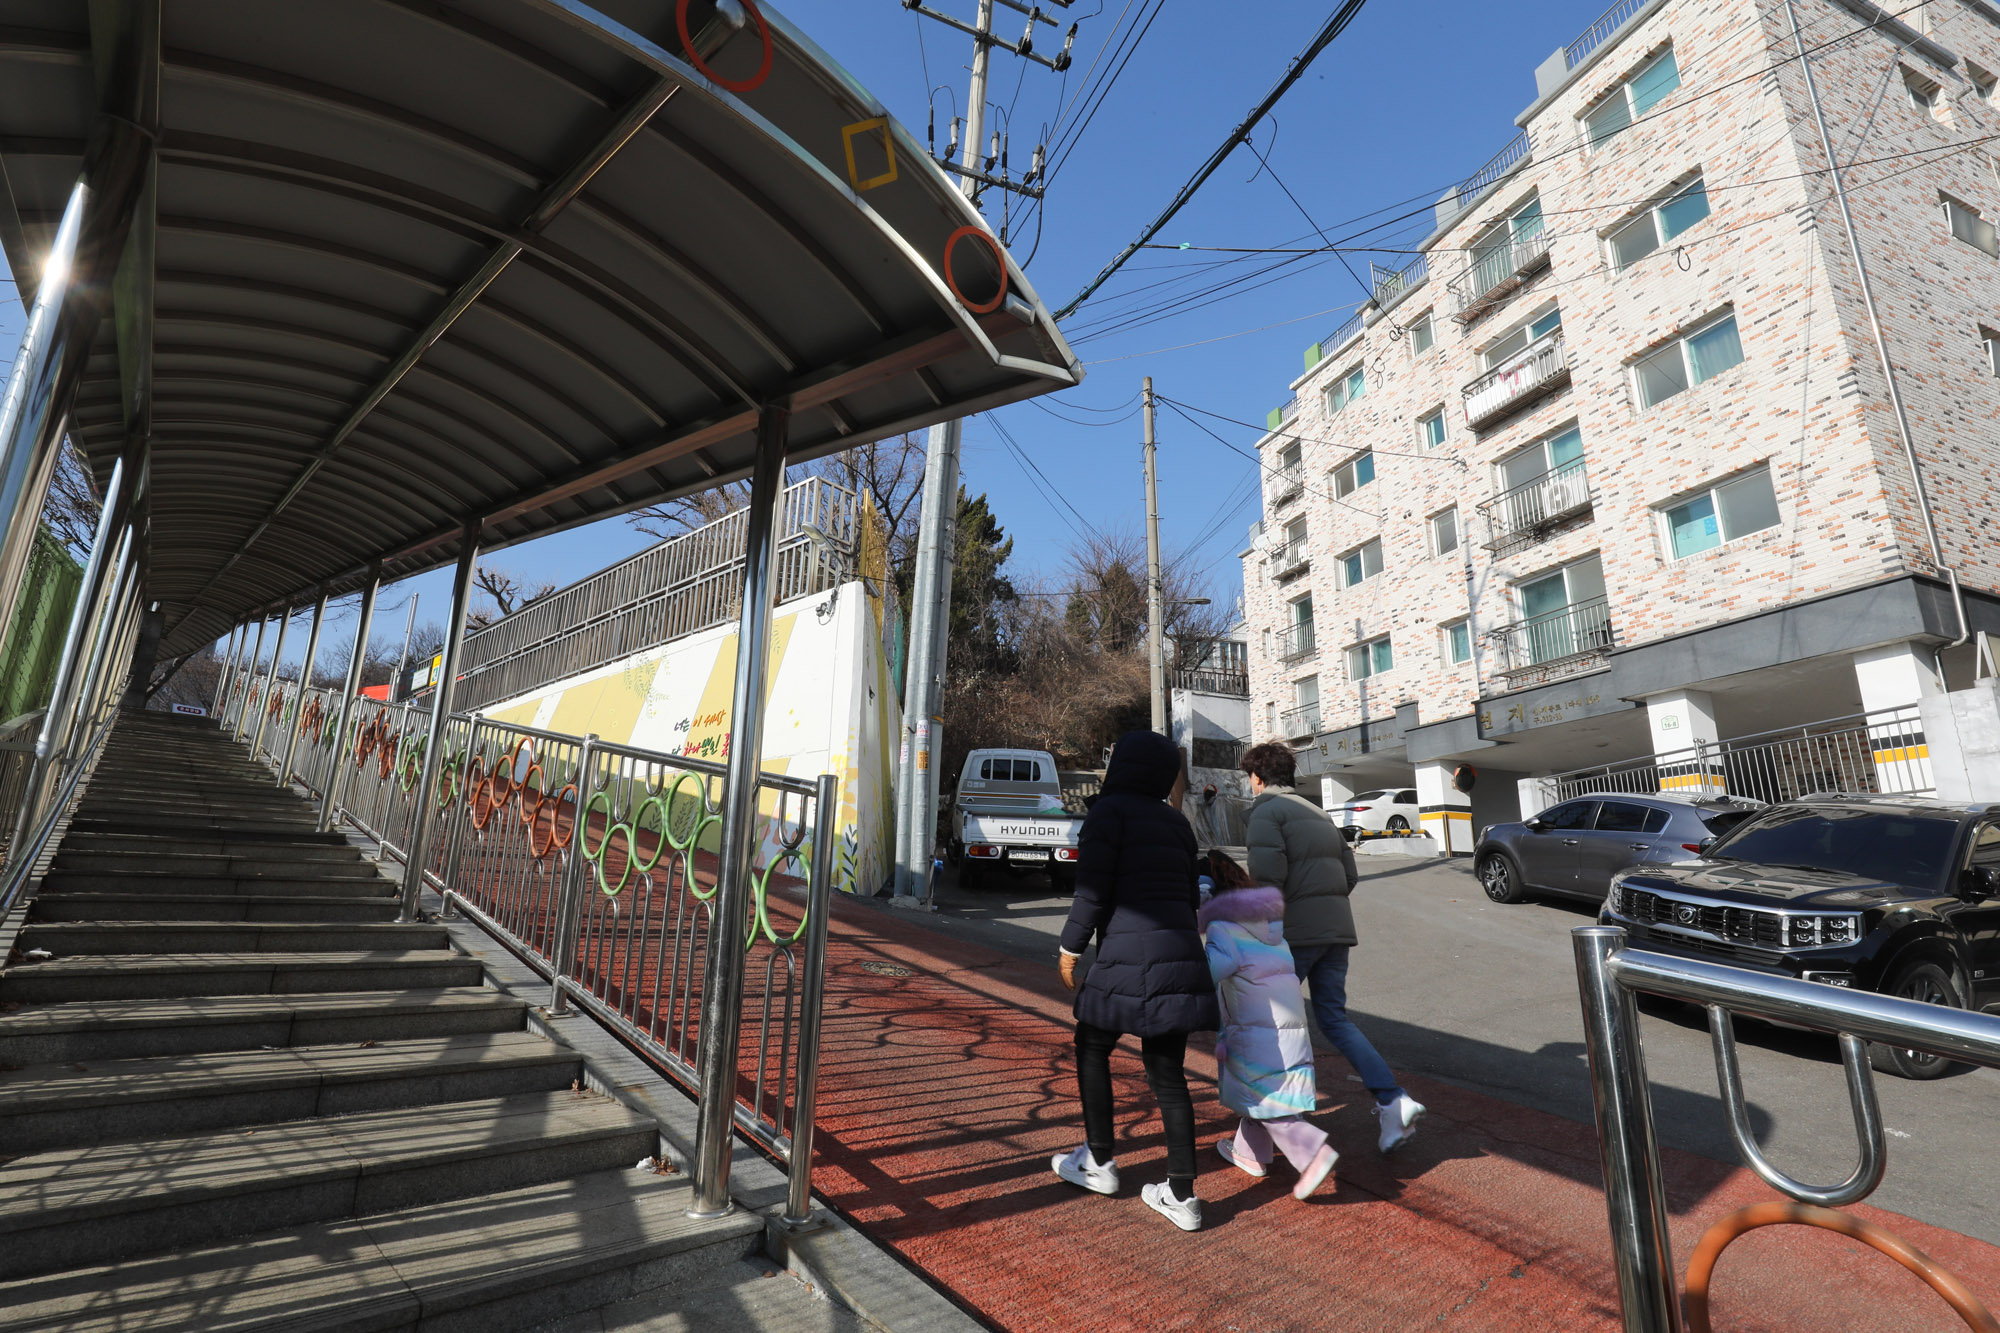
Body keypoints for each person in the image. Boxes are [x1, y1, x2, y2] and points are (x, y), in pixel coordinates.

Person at [1054, 729, 1219, 1232]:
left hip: (1124, 956)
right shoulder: (1176, 823)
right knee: (1167, 1073)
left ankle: (1099, 1161)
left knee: (1091, 1045)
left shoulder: (1108, 813)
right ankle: (1183, 1194)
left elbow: (1092, 892)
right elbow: (1192, 896)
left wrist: (1069, 948)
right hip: (1180, 958)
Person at [1241, 741, 1425, 1154]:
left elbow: (1268, 881)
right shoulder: (1319, 813)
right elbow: (1349, 875)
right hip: (1335, 931)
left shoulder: (1266, 813)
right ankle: (1392, 1099)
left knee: (1270, 1025)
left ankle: (1280, 1128)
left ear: (1256, 778)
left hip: (1293, 934)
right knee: (1334, 1019)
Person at [1200, 849, 1339, 1199]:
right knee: (1261, 1095)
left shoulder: (1222, 930)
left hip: (1255, 1032)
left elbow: (1208, 973)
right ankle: (1250, 1153)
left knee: (1269, 1101)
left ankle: (1313, 1155)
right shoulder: (1269, 927)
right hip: (1283, 1027)